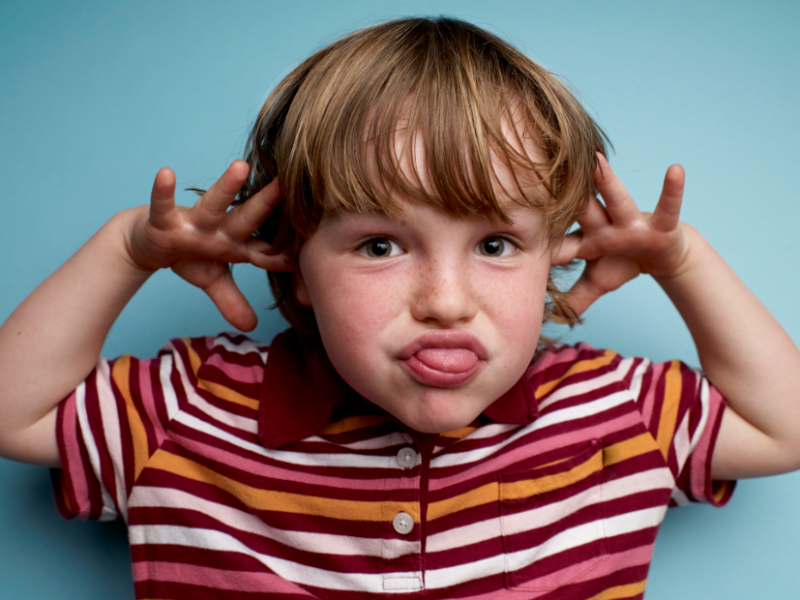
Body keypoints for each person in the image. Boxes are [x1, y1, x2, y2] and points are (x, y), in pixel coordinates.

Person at [0, 16, 798, 599]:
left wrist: (680, 260)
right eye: (380, 245)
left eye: (494, 245)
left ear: (553, 253)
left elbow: (784, 427)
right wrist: (125, 248)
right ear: (295, 264)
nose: (445, 303)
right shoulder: (187, 408)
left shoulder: (614, 409)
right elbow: (13, 413)